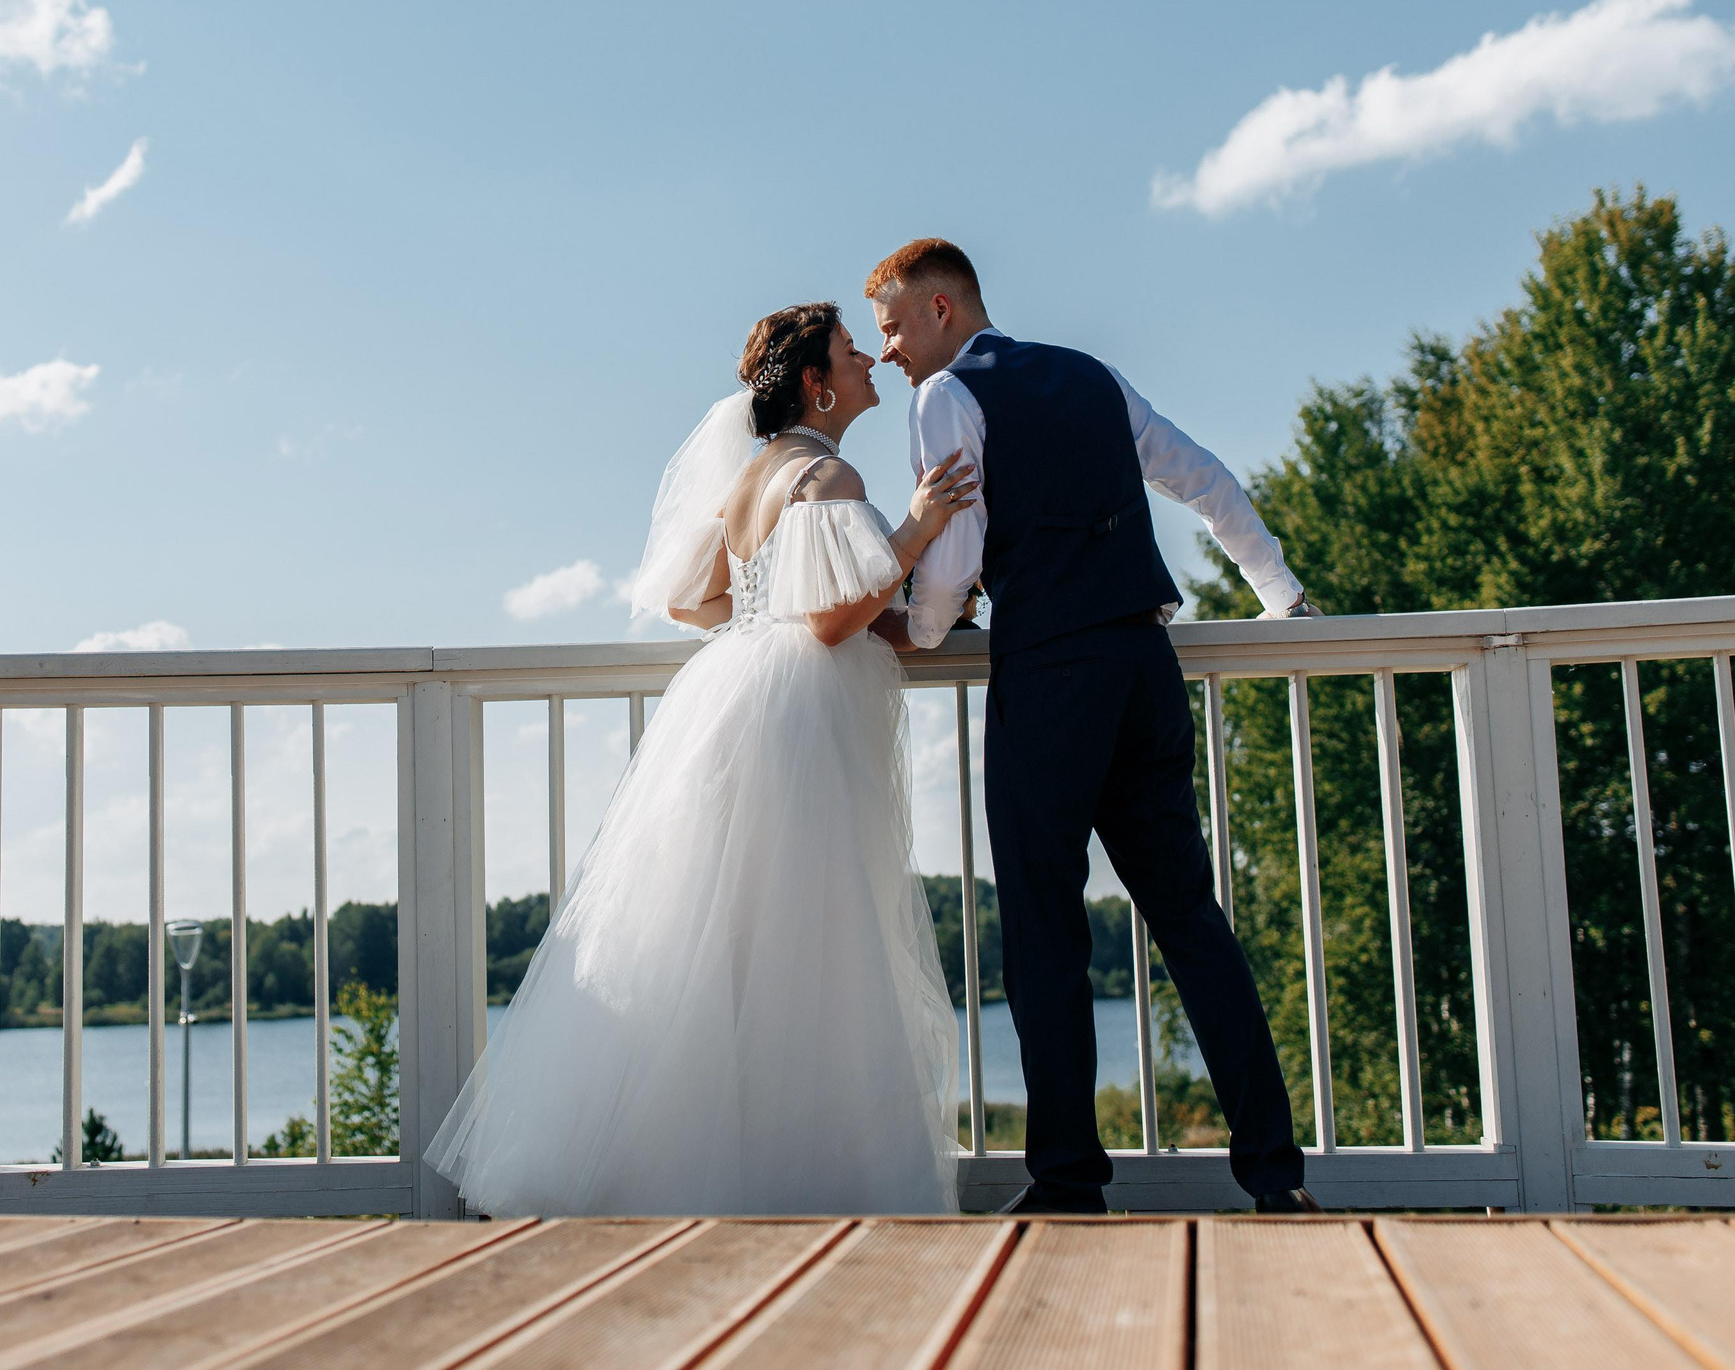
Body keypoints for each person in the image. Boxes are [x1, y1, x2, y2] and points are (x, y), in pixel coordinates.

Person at [424, 302, 980, 1215]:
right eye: (851, 351)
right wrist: (916, 529)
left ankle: (683, 1168)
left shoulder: (752, 478)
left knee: (729, 942)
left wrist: (796, 614)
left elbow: (695, 600)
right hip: (798, 721)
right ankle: (811, 1178)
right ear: (817, 382)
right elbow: (831, 621)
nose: (868, 362)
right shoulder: (828, 474)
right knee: (814, 940)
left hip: (735, 699)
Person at [864, 237, 1322, 1215]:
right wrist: (1279, 594)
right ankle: (1274, 1176)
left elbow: (952, 561)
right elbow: (1201, 477)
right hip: (1144, 666)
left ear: (942, 309)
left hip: (1050, 675)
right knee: (1191, 919)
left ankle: (1068, 1180)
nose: (889, 349)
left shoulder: (944, 396)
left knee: (1043, 929)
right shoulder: (1091, 375)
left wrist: (923, 629)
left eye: (894, 326)